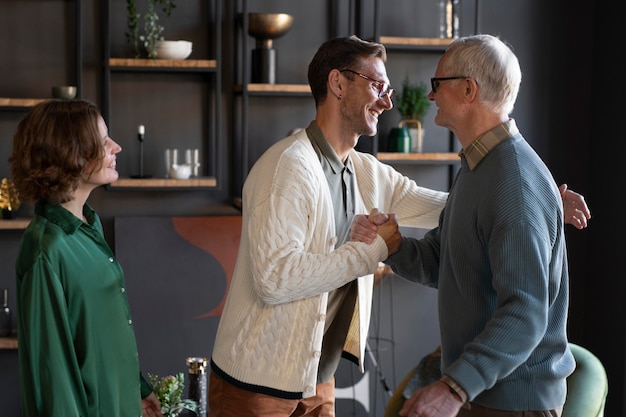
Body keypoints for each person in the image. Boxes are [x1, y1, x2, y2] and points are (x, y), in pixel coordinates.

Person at [208, 35, 589, 416]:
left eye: (391, 89)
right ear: (338, 84)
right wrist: (379, 249)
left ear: (469, 90)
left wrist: (539, 199)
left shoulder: (371, 172)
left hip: (316, 379)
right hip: (260, 383)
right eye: (378, 85)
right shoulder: (286, 167)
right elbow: (275, 279)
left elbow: (468, 213)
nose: (391, 101)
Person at [353, 34, 589, 417]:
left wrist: (453, 388)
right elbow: (444, 262)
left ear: (468, 89)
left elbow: (525, 313)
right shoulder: (479, 166)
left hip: (513, 402)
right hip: (486, 395)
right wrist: (393, 246)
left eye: (437, 84)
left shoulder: (513, 179)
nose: (430, 96)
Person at [9, 99, 163, 417]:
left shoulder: (89, 228)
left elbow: (99, 338)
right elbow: (52, 380)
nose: (116, 147)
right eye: (103, 140)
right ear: (70, 152)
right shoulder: (46, 249)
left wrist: (136, 391)